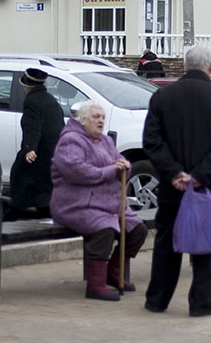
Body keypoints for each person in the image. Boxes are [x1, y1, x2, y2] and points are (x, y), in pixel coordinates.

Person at [141, 45, 211, 317]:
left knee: (165, 244)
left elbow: (151, 141)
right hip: (206, 189)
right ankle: (201, 303)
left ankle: (157, 300)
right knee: (204, 245)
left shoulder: (162, 97)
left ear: (185, 66)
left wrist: (174, 173)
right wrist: (199, 176)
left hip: (172, 189)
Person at [50, 101, 148, 301]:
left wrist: (125, 166)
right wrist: (112, 170)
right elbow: (78, 172)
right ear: (83, 120)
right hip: (76, 204)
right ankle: (95, 285)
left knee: (138, 230)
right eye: (96, 117)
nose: (101, 120)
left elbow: (120, 162)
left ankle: (113, 273)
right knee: (103, 229)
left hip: (107, 204)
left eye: (102, 117)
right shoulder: (70, 141)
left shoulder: (104, 141)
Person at [8, 67, 64, 218]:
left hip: (39, 150)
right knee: (44, 183)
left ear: (27, 86)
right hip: (52, 150)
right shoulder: (51, 100)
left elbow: (32, 126)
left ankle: (15, 211)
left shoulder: (31, 101)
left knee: (20, 175)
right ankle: (44, 208)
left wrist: (29, 148)